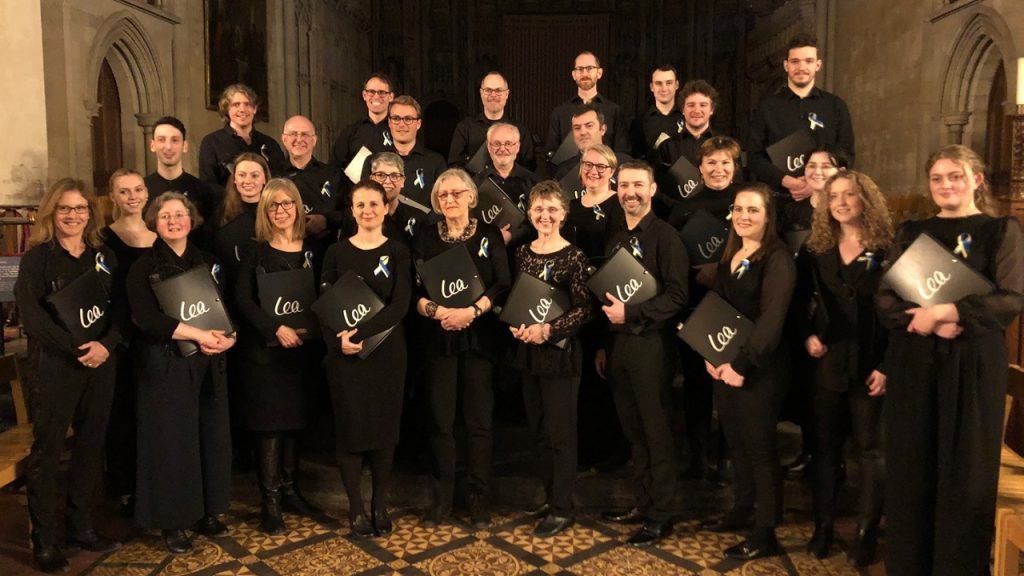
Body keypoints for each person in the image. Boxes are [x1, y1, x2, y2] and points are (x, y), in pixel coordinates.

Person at [876, 145, 1024, 576]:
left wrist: (949, 312)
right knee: (912, 465)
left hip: (974, 365)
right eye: (937, 178)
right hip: (915, 360)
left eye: (955, 176)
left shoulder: (1002, 229)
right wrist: (927, 321)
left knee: (965, 471)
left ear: (976, 179)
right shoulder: (912, 231)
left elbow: (1011, 298)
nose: (946, 185)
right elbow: (886, 297)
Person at [16, 178, 124, 572]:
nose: (74, 215)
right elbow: (31, 317)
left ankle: (82, 527)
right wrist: (76, 349)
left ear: (90, 214)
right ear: (52, 212)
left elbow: (119, 311)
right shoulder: (38, 259)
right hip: (57, 367)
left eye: (80, 209)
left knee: (91, 448)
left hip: (100, 364)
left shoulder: (104, 255)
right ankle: (44, 540)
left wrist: (106, 345)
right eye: (65, 208)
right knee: (46, 454)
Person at [127, 192, 236, 554]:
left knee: (209, 436)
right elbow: (146, 319)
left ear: (192, 220)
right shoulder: (142, 267)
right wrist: (197, 334)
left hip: (208, 360)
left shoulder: (209, 262)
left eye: (180, 215)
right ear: (154, 223)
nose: (174, 221)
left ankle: (208, 510)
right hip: (165, 363)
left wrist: (228, 338)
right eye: (165, 216)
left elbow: (225, 309)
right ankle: (173, 522)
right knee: (172, 443)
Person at [800, 171, 891, 566]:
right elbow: (798, 302)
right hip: (830, 363)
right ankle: (823, 527)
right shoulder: (815, 249)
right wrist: (808, 335)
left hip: (873, 363)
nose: (840, 201)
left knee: (871, 452)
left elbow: (902, 310)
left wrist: (888, 365)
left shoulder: (890, 249)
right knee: (824, 449)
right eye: (833, 195)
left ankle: (867, 533)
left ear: (865, 199)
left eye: (849, 194)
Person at [702, 182, 796, 560]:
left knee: (760, 450)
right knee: (736, 442)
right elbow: (720, 309)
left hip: (760, 369)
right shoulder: (732, 253)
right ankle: (742, 510)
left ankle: (766, 530)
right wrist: (711, 353)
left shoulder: (777, 259)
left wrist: (741, 365)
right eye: (738, 209)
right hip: (725, 366)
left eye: (753, 210)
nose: (743, 216)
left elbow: (771, 321)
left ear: (769, 216)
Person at [413, 168, 510, 529]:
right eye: (443, 195)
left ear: (471, 197)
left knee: (478, 422)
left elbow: (502, 282)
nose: (449, 200)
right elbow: (416, 291)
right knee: (440, 422)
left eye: (456, 193)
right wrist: (440, 312)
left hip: (479, 338)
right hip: (439, 338)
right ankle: (441, 501)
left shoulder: (488, 235)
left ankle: (478, 500)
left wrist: (470, 311)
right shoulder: (425, 236)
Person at [598, 161, 688, 547]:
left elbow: (678, 297)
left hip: (652, 346)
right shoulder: (615, 236)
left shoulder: (667, 238)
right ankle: (643, 502)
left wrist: (631, 313)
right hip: (619, 345)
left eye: (638, 185)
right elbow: (608, 293)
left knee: (656, 432)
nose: (630, 192)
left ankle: (662, 514)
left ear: (652, 190)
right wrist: (606, 342)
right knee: (633, 431)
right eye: (624, 185)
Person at [232, 179, 324, 534]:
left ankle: (291, 490)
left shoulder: (314, 248)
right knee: (271, 427)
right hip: (266, 354)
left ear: (298, 208)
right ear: (264, 212)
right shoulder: (254, 251)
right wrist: (275, 329)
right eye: (273, 206)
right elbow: (243, 300)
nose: (282, 211)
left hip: (304, 351)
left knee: (295, 422)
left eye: (288, 204)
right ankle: (269, 501)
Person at [322, 179, 412, 537]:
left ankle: (379, 505)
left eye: (374, 204)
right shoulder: (336, 253)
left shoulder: (399, 250)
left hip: (388, 353)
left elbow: (400, 305)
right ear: (352, 210)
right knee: (350, 430)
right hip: (346, 355)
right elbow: (325, 304)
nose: (368, 210)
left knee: (383, 431)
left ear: (386, 208)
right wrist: (338, 342)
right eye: (360, 205)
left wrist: (360, 333)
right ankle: (356, 509)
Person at [511, 181, 594, 537]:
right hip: (528, 352)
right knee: (539, 433)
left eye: (552, 209)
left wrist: (549, 330)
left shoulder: (575, 256)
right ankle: (549, 495)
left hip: (560, 355)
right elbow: (519, 300)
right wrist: (516, 326)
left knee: (561, 435)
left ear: (563, 214)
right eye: (538, 209)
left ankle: (563, 507)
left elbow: (585, 309)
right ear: (530, 213)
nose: (545, 216)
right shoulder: (522, 253)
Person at [667, 136, 743, 480]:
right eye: (711, 162)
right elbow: (673, 260)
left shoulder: (748, 203)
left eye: (725, 162)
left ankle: (727, 455)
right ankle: (697, 454)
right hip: (696, 306)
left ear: (734, 166)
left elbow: (763, 253)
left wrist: (721, 271)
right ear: (700, 168)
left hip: (736, 306)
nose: (718, 168)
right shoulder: (683, 209)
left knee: (730, 384)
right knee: (696, 384)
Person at [562, 144, 628, 470]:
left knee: (606, 377)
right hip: (576, 302)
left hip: (607, 302)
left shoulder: (619, 206)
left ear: (612, 171)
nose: (594, 171)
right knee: (582, 380)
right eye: (588, 165)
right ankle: (584, 450)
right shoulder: (571, 207)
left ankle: (611, 453)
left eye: (601, 166)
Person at [102, 169, 157, 517]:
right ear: (114, 197)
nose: (132, 196)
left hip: (154, 337)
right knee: (122, 413)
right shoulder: (103, 240)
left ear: (147, 193)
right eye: (124, 191)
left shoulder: (158, 236)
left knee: (151, 411)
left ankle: (151, 484)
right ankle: (124, 487)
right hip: (120, 338)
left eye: (138, 189)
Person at [746, 34, 854, 206]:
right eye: (795, 61)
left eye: (808, 61)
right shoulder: (767, 108)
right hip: (779, 202)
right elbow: (753, 157)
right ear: (786, 65)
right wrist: (787, 181)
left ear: (818, 65)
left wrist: (815, 186)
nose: (801, 67)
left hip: (825, 202)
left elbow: (847, 155)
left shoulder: (836, 106)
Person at [279, 114, 346, 268]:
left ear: (314, 140)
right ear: (284, 139)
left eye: (305, 134)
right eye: (293, 134)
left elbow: (350, 211)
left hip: (325, 257)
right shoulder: (273, 176)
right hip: (284, 258)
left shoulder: (333, 174)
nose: (299, 139)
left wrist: (326, 220)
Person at [199, 83, 285, 190]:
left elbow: (280, 182)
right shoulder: (211, 142)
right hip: (227, 205)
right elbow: (208, 186)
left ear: (255, 109)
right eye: (236, 104)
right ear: (227, 109)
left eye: (247, 104)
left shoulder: (270, 144)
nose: (242, 109)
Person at [368, 95, 446, 207]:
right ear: (389, 122)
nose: (401, 124)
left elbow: (442, 203)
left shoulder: (436, 162)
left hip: (424, 224)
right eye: (396, 118)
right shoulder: (371, 160)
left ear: (418, 123)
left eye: (408, 119)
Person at [449, 72, 536, 171]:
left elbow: (529, 167)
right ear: (481, 93)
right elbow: (455, 167)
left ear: (507, 94)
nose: (493, 95)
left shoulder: (521, 130)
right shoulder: (465, 128)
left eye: (498, 90)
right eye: (488, 90)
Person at [144, 116, 220, 230]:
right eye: (161, 140)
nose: (168, 147)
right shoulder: (141, 190)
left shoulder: (203, 191)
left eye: (174, 140)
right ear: (152, 145)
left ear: (184, 146)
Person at [548, 51, 629, 155]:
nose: (585, 74)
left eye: (590, 68)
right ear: (573, 75)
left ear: (599, 73)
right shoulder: (559, 113)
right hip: (569, 171)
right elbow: (552, 154)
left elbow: (622, 153)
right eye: (580, 69)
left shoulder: (615, 111)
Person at [473, 122, 539, 246]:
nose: (502, 149)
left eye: (508, 144)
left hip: (527, 250)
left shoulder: (534, 182)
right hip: (487, 252)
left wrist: (513, 235)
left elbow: (541, 219)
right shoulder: (475, 183)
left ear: (517, 147)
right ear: (489, 147)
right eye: (496, 144)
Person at [213, 152, 270, 283]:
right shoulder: (220, 215)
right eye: (242, 175)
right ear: (234, 179)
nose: (248, 181)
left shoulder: (276, 214)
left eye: (255, 175)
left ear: (265, 179)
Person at [332, 73, 396, 171]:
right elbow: (333, 168)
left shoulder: (399, 130)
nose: (376, 97)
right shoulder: (351, 132)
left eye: (382, 92)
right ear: (364, 95)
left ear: (391, 97)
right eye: (371, 92)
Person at [630, 65, 683, 159]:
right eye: (658, 83)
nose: (664, 89)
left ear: (677, 85)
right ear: (651, 87)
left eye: (669, 83)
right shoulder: (640, 122)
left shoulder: (686, 117)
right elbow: (635, 158)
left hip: (685, 173)